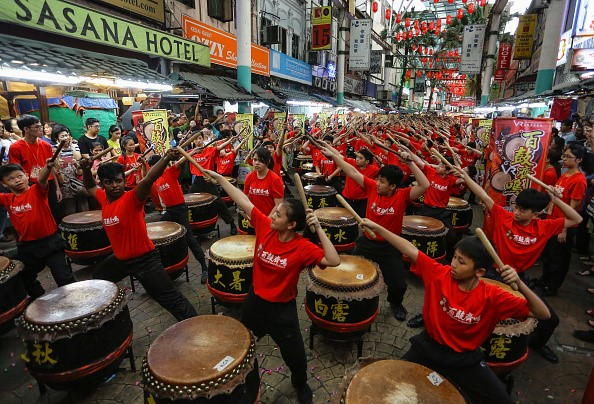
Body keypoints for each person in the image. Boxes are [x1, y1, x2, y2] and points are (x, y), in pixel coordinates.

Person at [360, 218, 551, 404]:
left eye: (462, 262)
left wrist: (518, 283)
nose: (453, 264)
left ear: (480, 272)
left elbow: (543, 314)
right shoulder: (439, 274)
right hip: (428, 348)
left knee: (501, 399)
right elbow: (409, 249)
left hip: (464, 359)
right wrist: (379, 228)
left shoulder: (493, 296)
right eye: (455, 257)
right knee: (389, 384)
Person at [205, 169, 340, 404]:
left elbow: (333, 260)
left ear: (291, 225)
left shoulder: (303, 247)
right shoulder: (265, 226)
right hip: (255, 302)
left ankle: (299, 383)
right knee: (241, 345)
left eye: (278, 214)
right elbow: (243, 200)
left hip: (282, 311)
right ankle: (238, 380)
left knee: (296, 358)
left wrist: (318, 228)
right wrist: (219, 179)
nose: (272, 215)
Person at [460, 166, 583, 363]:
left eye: (522, 210)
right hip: (494, 273)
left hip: (520, 278)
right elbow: (482, 194)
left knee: (550, 320)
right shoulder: (504, 216)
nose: (516, 212)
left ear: (535, 215)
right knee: (462, 299)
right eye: (516, 207)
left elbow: (576, 218)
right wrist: (466, 176)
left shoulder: (545, 227)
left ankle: (536, 343)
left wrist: (555, 199)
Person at [80, 149, 198, 321]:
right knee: (99, 277)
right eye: (109, 182)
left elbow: (149, 178)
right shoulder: (103, 199)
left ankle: (197, 327)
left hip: (145, 261)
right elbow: (90, 185)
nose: (115, 185)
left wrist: (166, 159)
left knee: (171, 299)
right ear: (103, 184)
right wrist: (85, 169)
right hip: (121, 260)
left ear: (123, 180)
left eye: (118, 181)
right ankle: (113, 319)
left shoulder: (132, 198)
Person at [319, 142, 429, 321]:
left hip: (390, 247)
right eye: (377, 179)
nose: (377, 183)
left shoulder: (403, 196)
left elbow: (424, 185)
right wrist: (334, 157)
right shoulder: (371, 188)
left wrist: (409, 163)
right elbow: (353, 171)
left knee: (398, 285)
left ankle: (395, 303)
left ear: (393, 186)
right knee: (351, 273)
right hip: (367, 243)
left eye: (382, 182)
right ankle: (353, 301)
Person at [0, 160, 76, 299]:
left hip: (50, 243)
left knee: (64, 278)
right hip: (28, 247)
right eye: (11, 179)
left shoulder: (36, 191)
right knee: (24, 276)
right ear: (4, 184)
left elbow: (42, 179)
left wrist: (47, 167)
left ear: (26, 176)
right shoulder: (7, 199)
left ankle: (75, 304)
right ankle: (39, 299)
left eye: (19, 176)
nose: (17, 180)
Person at [147, 154, 209, 284]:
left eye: (154, 166)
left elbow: (180, 162)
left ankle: (204, 267)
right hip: (169, 211)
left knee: (190, 238)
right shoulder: (156, 179)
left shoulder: (169, 172)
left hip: (180, 210)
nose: (153, 169)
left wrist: (187, 154)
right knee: (158, 232)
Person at [540, 143, 587, 297]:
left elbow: (573, 208)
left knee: (558, 258)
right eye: (564, 156)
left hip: (563, 226)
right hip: (552, 221)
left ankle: (552, 286)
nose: (564, 159)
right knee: (547, 254)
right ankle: (544, 280)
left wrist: (564, 229)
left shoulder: (579, 180)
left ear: (579, 159)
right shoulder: (565, 175)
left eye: (568, 157)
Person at [9, 115, 62, 224]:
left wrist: (57, 188)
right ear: (26, 129)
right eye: (37, 127)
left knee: (55, 214)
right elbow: (15, 172)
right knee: (37, 215)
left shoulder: (46, 145)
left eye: (40, 126)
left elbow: (51, 168)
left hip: (49, 183)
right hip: (30, 185)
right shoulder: (16, 147)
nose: (41, 129)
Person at [243, 147, 284, 216]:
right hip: (253, 218)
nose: (256, 163)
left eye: (260, 160)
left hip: (268, 220)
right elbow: (246, 199)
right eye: (255, 160)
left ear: (268, 161)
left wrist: (266, 221)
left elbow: (278, 205)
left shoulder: (275, 179)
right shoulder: (249, 177)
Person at [341, 147, 379, 218]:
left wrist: (380, 163)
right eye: (357, 157)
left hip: (362, 202)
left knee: (360, 222)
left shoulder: (374, 169)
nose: (357, 159)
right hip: (347, 199)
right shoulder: (352, 163)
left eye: (360, 158)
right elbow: (338, 156)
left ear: (367, 161)